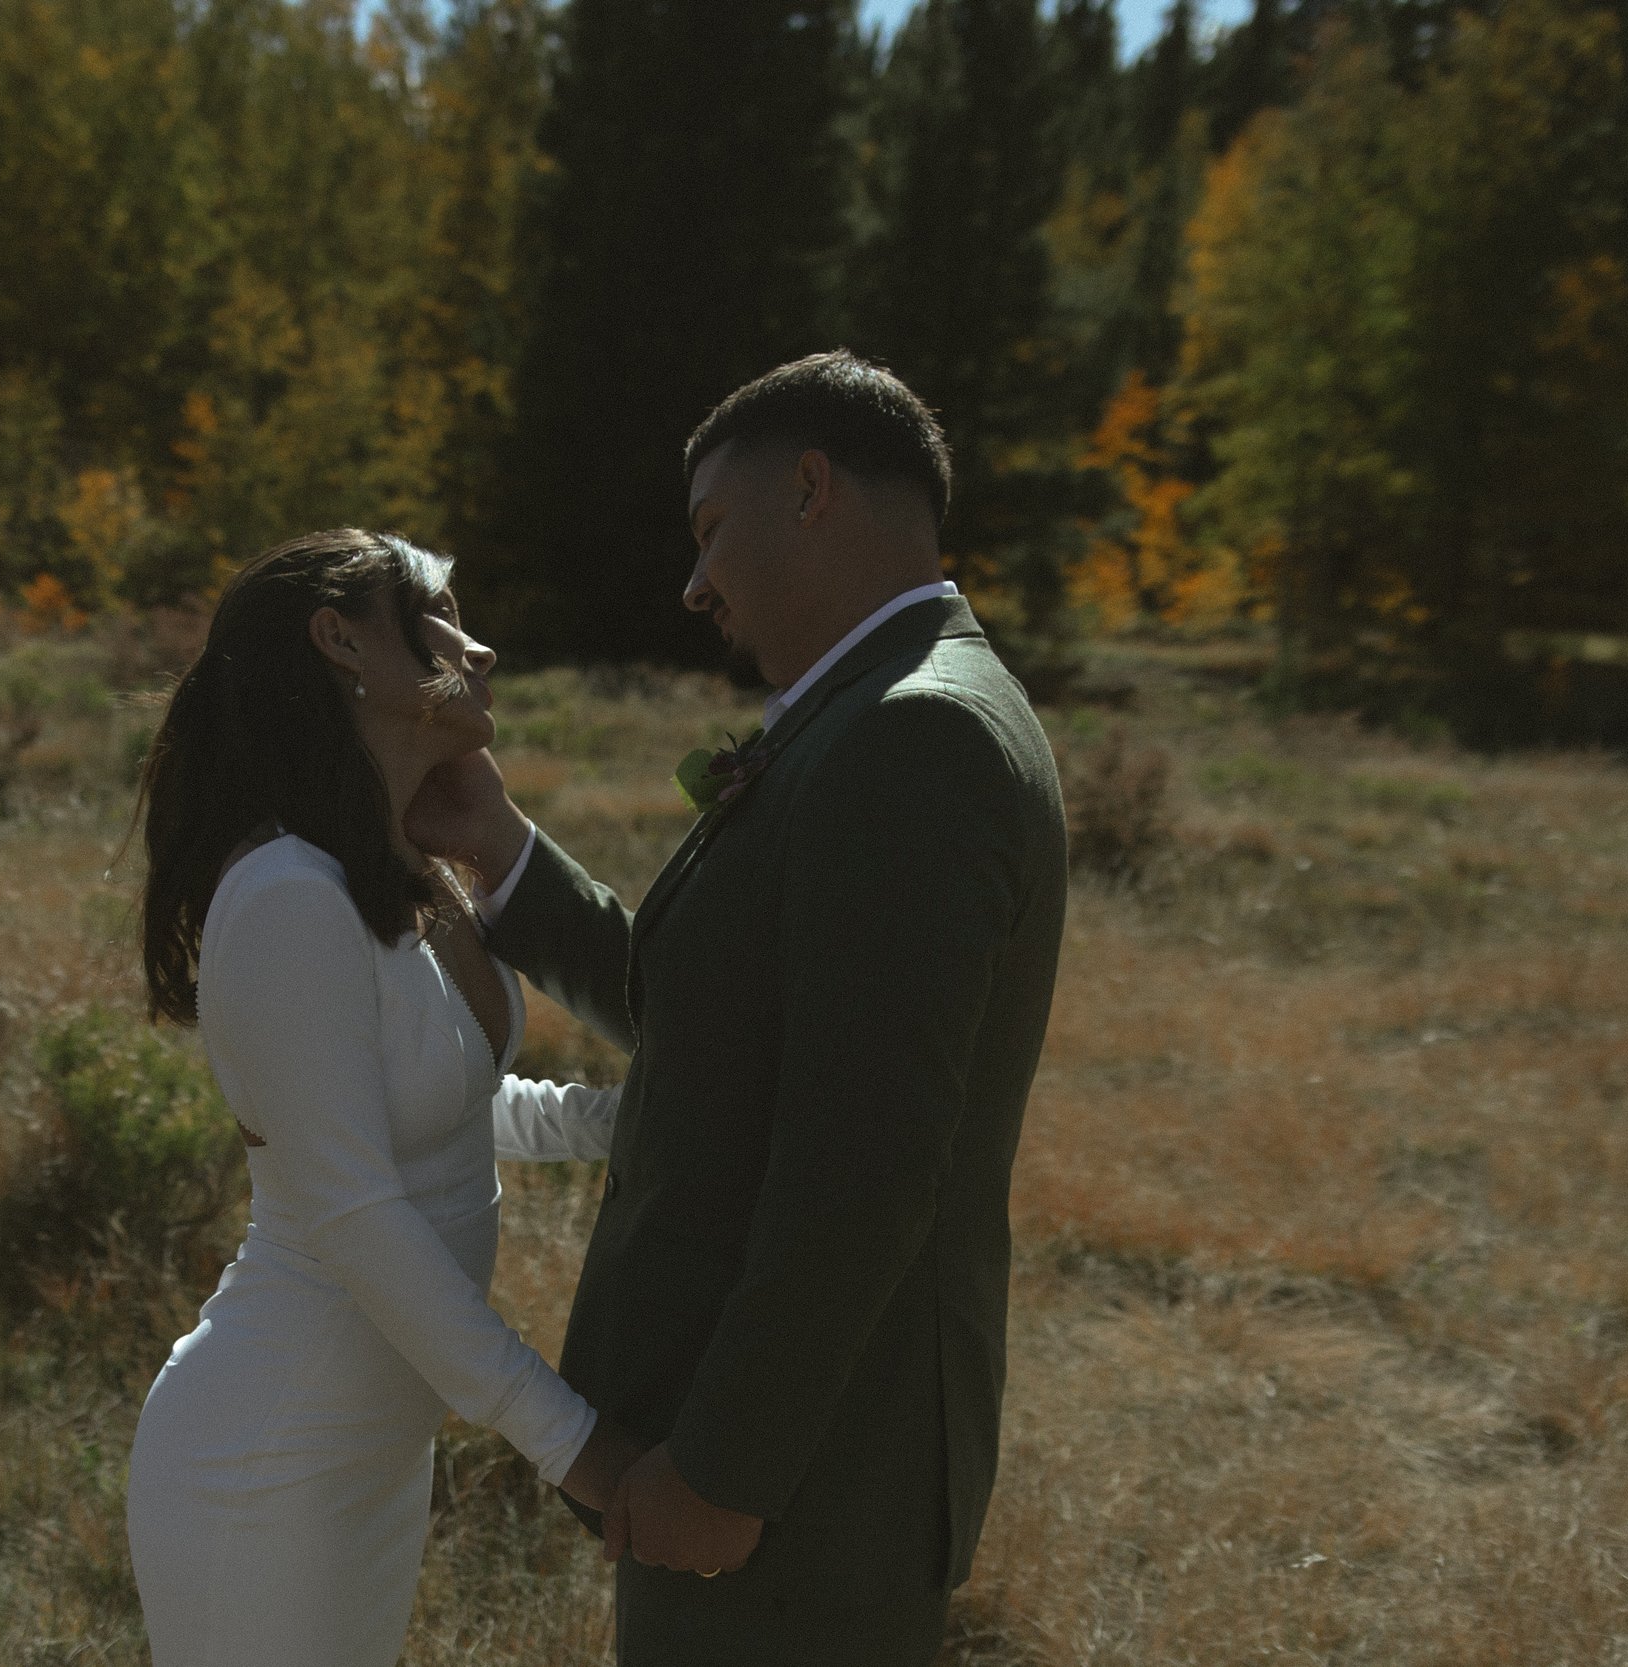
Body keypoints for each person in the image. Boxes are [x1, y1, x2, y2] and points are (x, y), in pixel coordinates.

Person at [406, 350, 1070, 1666]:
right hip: (788, 1473)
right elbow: (737, 1021)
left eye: (712, 528)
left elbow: (863, 1161)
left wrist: (723, 1465)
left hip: (805, 1491)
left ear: (812, 487)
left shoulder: (911, 739)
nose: (694, 582)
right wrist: (504, 851)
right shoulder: (877, 711)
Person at [121, 528, 646, 1667]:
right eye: (440, 617)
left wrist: (641, 1121)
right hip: (268, 1462)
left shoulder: (405, 872)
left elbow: (451, 1106)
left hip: (371, 1453)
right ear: (343, 641)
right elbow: (357, 1211)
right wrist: (571, 1441)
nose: (478, 646)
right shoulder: (285, 895)